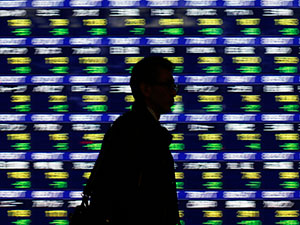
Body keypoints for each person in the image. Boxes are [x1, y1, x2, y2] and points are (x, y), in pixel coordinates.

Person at [86, 56, 180, 225]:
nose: (174, 92)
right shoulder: (140, 134)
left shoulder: (128, 127)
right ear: (146, 89)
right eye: (168, 85)